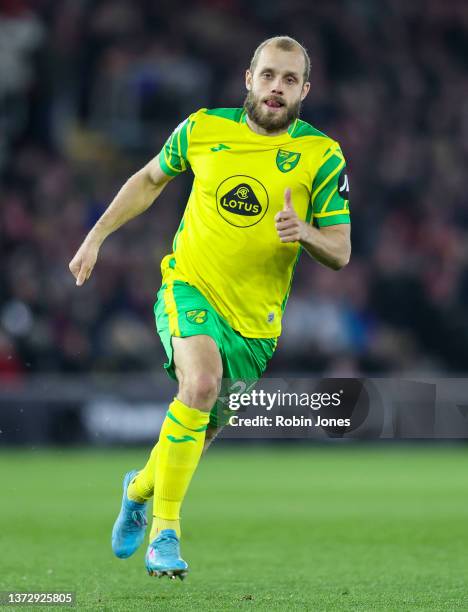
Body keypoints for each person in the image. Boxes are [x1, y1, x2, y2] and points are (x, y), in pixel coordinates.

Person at [69, 35, 351, 580]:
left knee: (201, 428)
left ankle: (140, 488)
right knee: (198, 385)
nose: (276, 88)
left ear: (305, 91)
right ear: (249, 78)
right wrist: (96, 236)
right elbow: (150, 179)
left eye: (289, 80)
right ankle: (165, 534)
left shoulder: (322, 154)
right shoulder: (202, 129)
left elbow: (340, 249)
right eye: (268, 75)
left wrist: (306, 233)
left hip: (256, 324)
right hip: (189, 286)